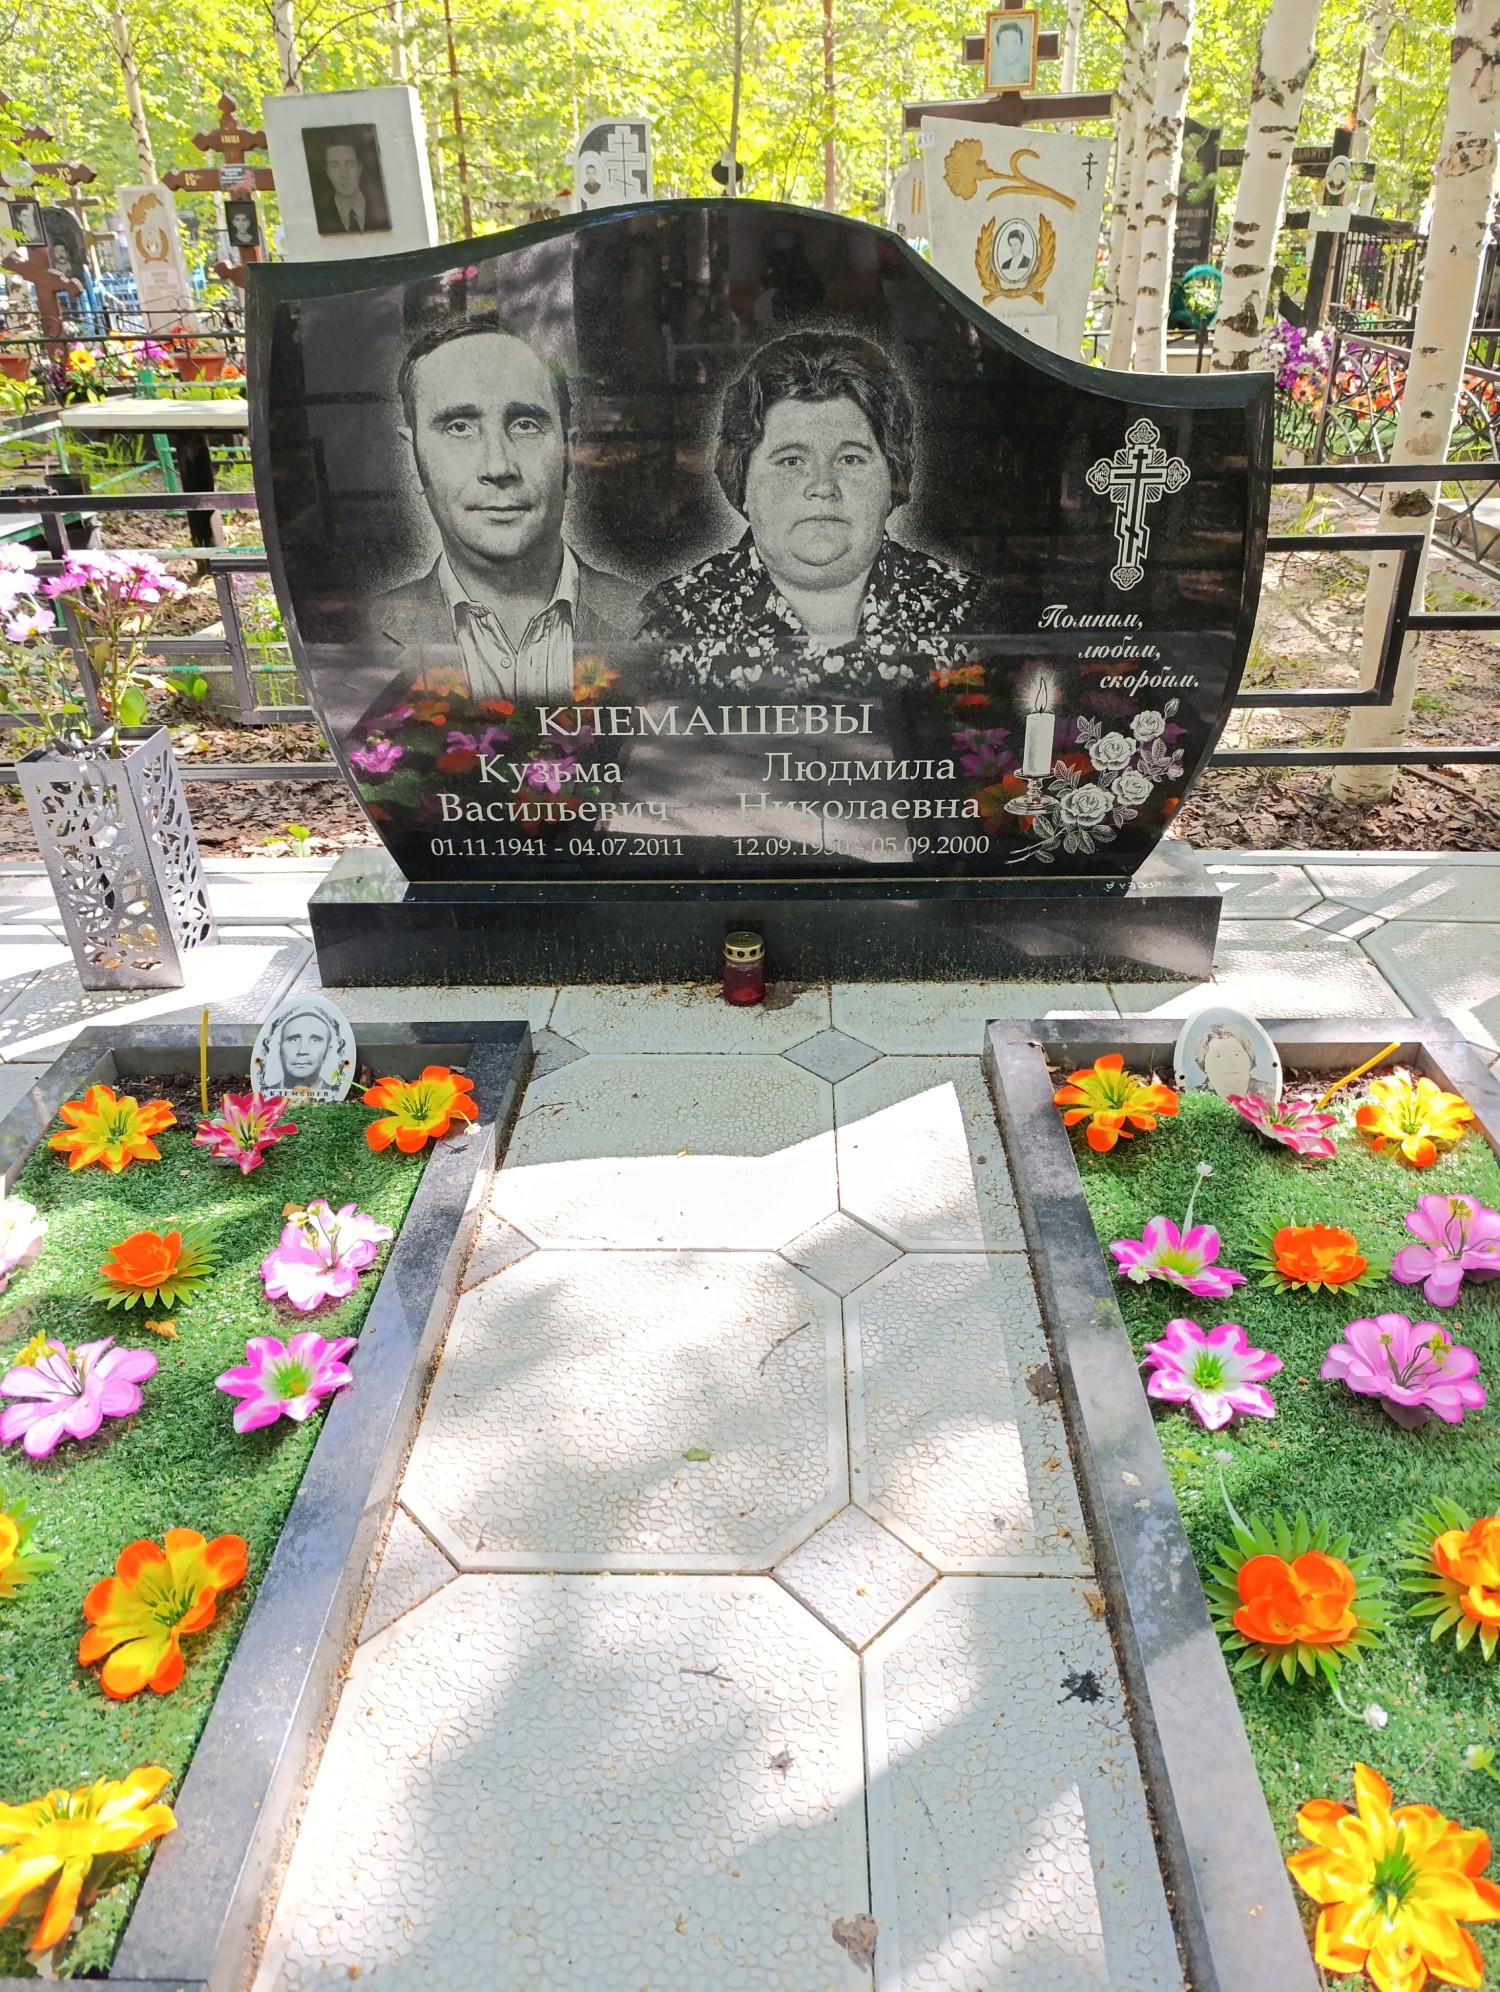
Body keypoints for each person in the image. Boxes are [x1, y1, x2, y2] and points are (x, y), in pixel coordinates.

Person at [636, 329, 980, 694]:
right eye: (791, 461)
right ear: (742, 480)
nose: (822, 486)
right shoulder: (676, 622)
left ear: (893, 476)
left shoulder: (965, 613)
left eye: (850, 459)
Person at [370, 314, 642, 705]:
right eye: (459, 427)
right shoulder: (365, 630)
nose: (498, 466)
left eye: (526, 424)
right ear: (414, 460)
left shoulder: (656, 619)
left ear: (568, 456)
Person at [310, 131, 391, 235]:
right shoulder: (318, 218)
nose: (344, 175)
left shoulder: (384, 210)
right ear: (327, 172)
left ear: (360, 168)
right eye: (334, 166)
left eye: (350, 164)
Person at [988, 17, 1031, 88]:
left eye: (1015, 42)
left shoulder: (1026, 73)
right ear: (998, 45)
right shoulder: (993, 75)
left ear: (1021, 44)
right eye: (1005, 43)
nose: (1010, 49)